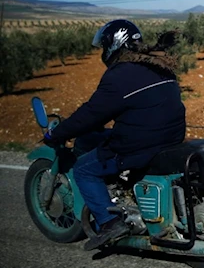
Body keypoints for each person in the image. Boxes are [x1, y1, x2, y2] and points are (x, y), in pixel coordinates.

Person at [43, 19, 186, 251]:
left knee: (84, 169)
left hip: (140, 145)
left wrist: (56, 134)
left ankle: (110, 222)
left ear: (113, 45)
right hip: (170, 138)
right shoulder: (158, 65)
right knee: (102, 139)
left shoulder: (119, 75)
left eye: (103, 47)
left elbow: (91, 114)